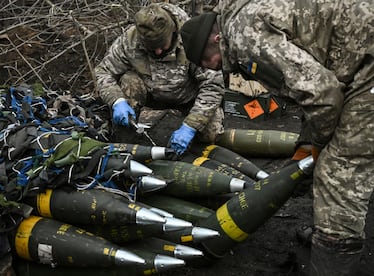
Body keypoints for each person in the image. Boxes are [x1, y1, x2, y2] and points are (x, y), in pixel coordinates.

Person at [179, 0, 374, 274]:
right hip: (357, 56)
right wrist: (306, 143)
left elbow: (323, 95)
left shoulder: (243, 38)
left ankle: (334, 251)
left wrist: (319, 145)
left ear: (215, 38)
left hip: (366, 67)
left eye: (205, 60)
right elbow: (312, 86)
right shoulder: (242, 17)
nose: (211, 68)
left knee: (338, 175)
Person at [95, 3, 225, 156]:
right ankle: (128, 138)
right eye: (152, 47)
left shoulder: (191, 38)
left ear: (173, 32)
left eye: (162, 45)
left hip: (190, 101)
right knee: (129, 81)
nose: (158, 51)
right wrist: (117, 101)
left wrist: (191, 126)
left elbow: (213, 86)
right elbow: (103, 71)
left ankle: (180, 129)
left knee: (211, 132)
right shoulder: (130, 41)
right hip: (152, 99)